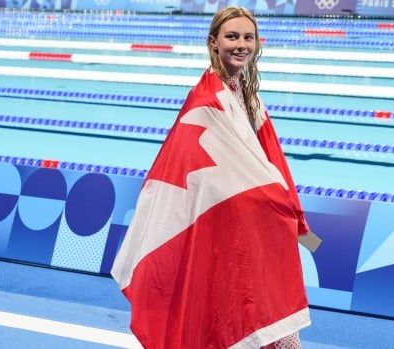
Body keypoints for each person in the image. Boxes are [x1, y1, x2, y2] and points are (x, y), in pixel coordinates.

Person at [111, 6, 311, 349]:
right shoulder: (205, 100)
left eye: (248, 37)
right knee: (229, 319)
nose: (241, 44)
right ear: (213, 43)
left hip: (245, 229)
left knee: (262, 319)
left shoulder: (247, 97)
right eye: (231, 36)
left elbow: (263, 163)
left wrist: (281, 208)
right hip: (219, 228)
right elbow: (197, 173)